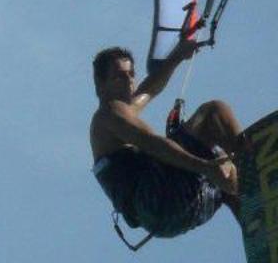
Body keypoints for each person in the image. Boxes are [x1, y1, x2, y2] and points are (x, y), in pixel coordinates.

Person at [90, 38, 242, 239]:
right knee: (214, 113)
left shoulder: (120, 115)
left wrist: (178, 54)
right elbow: (153, 143)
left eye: (131, 75)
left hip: (170, 216)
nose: (129, 82)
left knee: (229, 174)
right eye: (119, 77)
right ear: (101, 86)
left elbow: (148, 90)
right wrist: (205, 166)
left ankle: (259, 224)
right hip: (159, 197)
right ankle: (257, 161)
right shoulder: (108, 114)